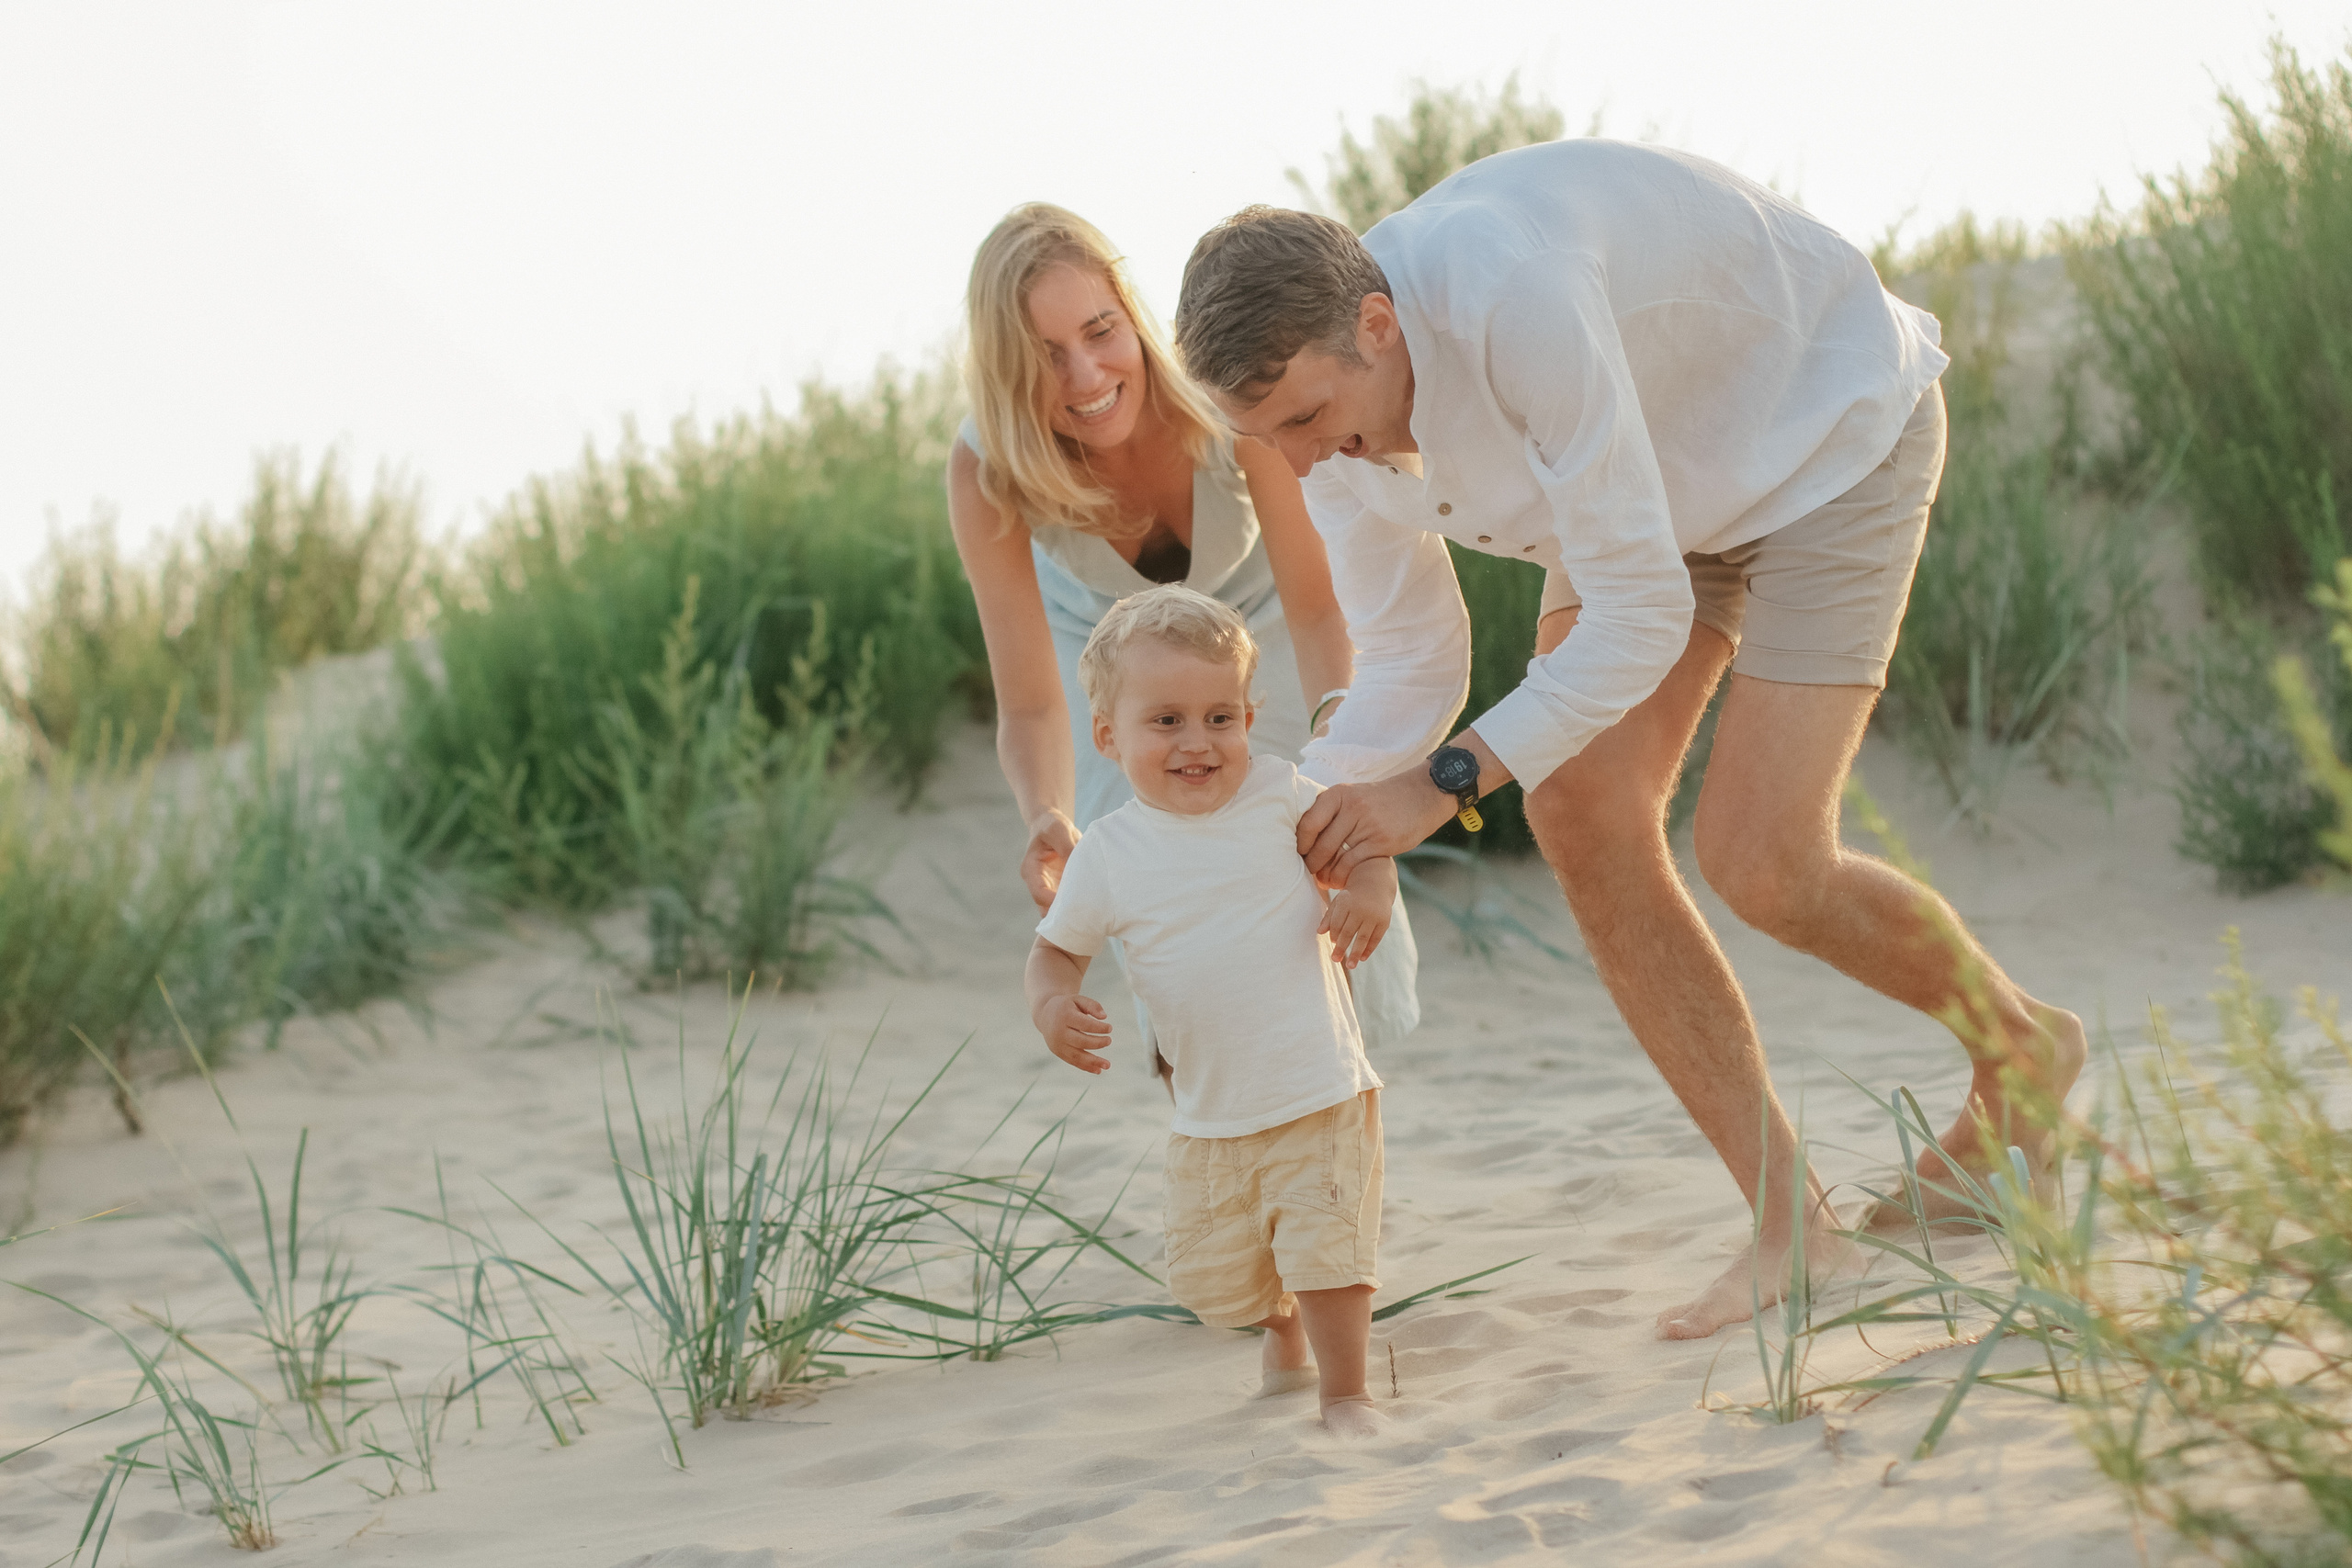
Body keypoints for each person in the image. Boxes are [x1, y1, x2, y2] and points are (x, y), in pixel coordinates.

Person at [1172, 139, 2087, 1341]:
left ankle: (2024, 1051)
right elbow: (1408, 656)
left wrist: (1444, 784)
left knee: (1763, 858)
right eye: (1264, 437)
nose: (1294, 460)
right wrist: (1325, 819)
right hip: (1645, 490)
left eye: (1305, 418)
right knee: (1579, 810)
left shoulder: (1509, 296)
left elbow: (1641, 611)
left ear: (1380, 325)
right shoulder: (1316, 422)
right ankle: (1791, 1225)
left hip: (1824, 437)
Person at [948, 202, 1420, 1048]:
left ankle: (1349, 1080)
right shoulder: (986, 468)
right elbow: (1029, 705)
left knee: (1313, 851)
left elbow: (1317, 610)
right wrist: (1042, 814)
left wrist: (1340, 755)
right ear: (1004, 370)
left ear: (1133, 319)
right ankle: (1211, 1115)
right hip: (1104, 648)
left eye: (1100, 331)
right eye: (1045, 356)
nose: (1086, 375)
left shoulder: (1220, 409)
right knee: (1155, 889)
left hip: (1263, 625)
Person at [1025, 585, 1394, 1438]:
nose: (1199, 742)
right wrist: (1051, 1005)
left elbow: (1365, 842)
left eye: (1220, 717)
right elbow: (1055, 949)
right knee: (1213, 1282)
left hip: (1319, 1081)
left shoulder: (1281, 796)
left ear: (1250, 718)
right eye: (1167, 721)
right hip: (1207, 1112)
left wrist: (1369, 890)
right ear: (1109, 736)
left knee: (1329, 1253)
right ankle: (1281, 1323)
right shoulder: (1110, 854)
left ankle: (1346, 1394)